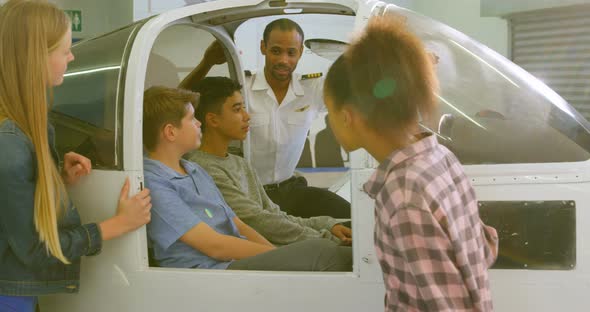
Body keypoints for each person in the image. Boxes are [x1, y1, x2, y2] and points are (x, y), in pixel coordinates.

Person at [322, 17, 499, 311]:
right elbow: (484, 246)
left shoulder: (403, 195)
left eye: (330, 110)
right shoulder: (441, 158)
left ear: (348, 115)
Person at [0, 1, 152, 311]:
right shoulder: (10, 144)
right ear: (35, 58)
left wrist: (54, 177)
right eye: (65, 50)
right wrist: (117, 225)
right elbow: (36, 250)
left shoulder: (29, 128)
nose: (72, 57)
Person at [142, 85, 351, 271]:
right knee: (323, 252)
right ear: (170, 132)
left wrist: (280, 256)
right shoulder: (155, 183)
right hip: (210, 271)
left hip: (232, 260)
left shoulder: (194, 170)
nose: (199, 123)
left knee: (325, 249)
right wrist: (277, 256)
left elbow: (238, 224)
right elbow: (215, 246)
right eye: (191, 119)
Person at [179, 18, 350, 219]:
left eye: (291, 52)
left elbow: (360, 94)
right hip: (249, 193)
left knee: (350, 217)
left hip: (291, 190)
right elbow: (180, 102)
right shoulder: (242, 86)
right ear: (263, 47)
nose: (283, 60)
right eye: (276, 51)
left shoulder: (312, 89)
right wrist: (206, 62)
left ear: (301, 52)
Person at [185, 77, 352, 246]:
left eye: (244, 107)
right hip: (255, 253)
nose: (247, 116)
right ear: (213, 120)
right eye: (237, 109)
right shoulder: (203, 168)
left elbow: (274, 214)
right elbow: (257, 221)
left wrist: (327, 225)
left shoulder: (240, 163)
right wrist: (325, 238)